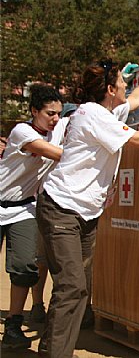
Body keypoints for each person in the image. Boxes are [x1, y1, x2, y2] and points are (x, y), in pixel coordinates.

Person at [36, 58, 139, 358]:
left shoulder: (104, 111)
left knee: (78, 290)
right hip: (61, 209)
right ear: (108, 89)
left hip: (85, 214)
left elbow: (134, 100)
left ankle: (55, 349)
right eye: (121, 81)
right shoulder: (93, 114)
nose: (125, 84)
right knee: (72, 287)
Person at [0, 84, 68, 349]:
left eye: (58, 113)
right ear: (34, 111)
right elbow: (56, 153)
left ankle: (14, 325)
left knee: (25, 268)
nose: (55, 119)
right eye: (50, 113)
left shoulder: (56, 129)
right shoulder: (23, 132)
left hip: (24, 208)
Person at [28, 103, 78, 326]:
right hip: (45, 203)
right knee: (41, 261)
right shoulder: (47, 140)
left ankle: (69, 312)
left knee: (68, 265)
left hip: (71, 207)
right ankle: (37, 305)